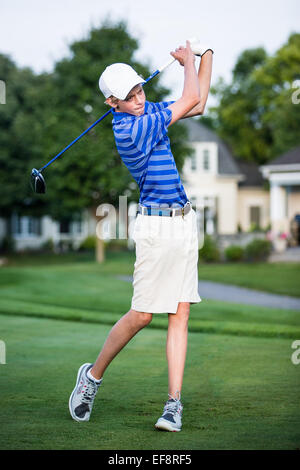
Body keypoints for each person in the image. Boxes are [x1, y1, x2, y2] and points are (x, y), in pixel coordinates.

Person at [69, 40, 213, 432]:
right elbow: (188, 96)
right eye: (128, 97)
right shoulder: (132, 128)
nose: (138, 100)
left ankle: (173, 405)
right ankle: (92, 377)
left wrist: (207, 55)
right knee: (142, 315)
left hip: (184, 222)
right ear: (111, 103)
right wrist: (188, 61)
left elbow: (196, 103)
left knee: (179, 313)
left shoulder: (146, 109)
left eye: (140, 91)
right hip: (155, 226)